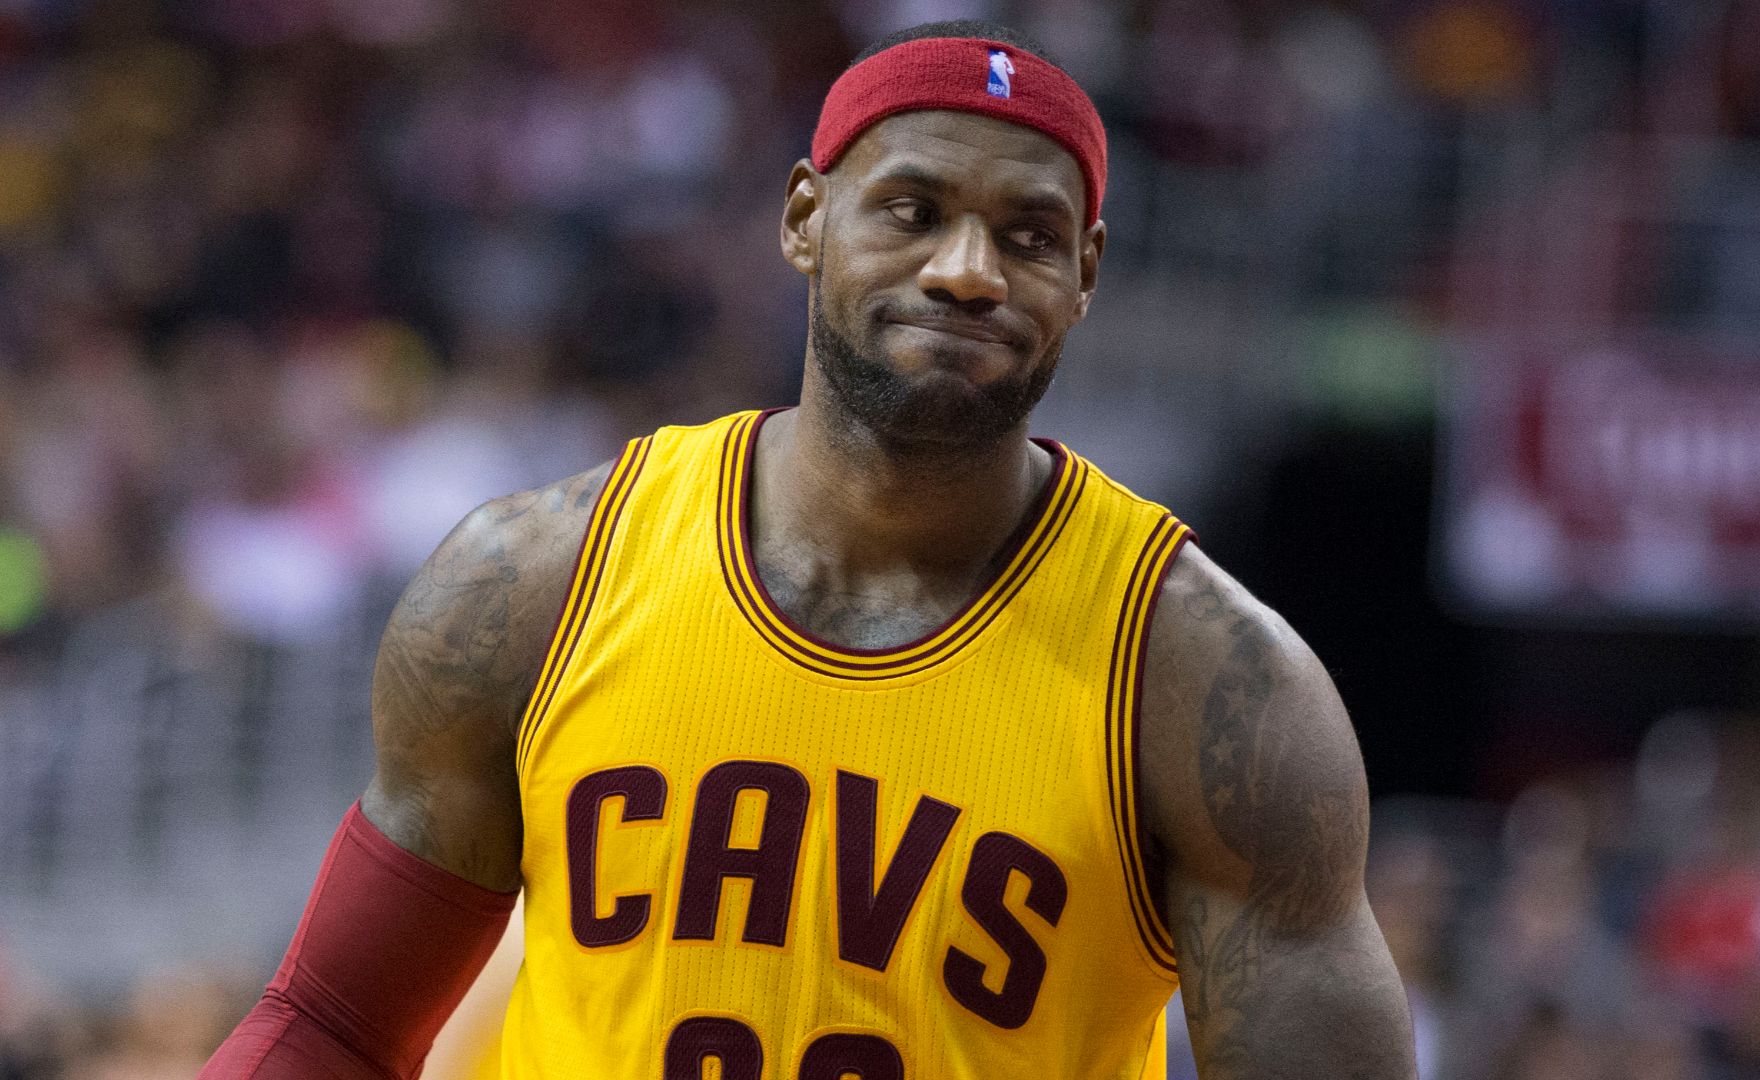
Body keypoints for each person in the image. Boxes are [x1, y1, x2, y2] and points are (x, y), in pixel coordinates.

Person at [201, 20, 1416, 1079]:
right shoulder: (536, 580)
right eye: (914, 209)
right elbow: (334, 1025)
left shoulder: (1212, 687)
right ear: (804, 217)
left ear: (1087, 274)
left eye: (1031, 236)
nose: (968, 271)